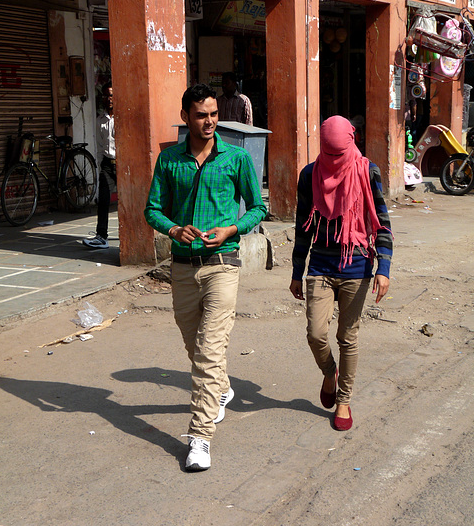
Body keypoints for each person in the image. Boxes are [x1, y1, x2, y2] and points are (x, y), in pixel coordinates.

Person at [144, 83, 267, 471]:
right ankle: (221, 390)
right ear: (186, 117)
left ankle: (200, 438)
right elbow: (152, 209)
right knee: (195, 348)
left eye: (214, 113)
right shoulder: (169, 161)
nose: (209, 121)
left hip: (223, 264)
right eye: (201, 114)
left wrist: (233, 230)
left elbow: (258, 207)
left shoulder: (235, 159)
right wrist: (172, 229)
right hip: (181, 267)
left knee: (210, 350)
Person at [289, 115, 392, 432]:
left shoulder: (367, 171)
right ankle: (330, 372)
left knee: (348, 337)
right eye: (328, 154)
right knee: (316, 334)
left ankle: (344, 400)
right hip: (320, 264)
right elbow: (302, 225)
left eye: (340, 154)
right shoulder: (309, 176)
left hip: (357, 263)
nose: (334, 161)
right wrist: (296, 270)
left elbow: (382, 223)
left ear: (353, 140)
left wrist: (383, 268)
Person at [83, 83, 116, 249]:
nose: (108, 99)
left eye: (111, 95)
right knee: (103, 199)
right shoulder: (100, 120)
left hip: (123, 165)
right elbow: (99, 146)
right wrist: (99, 165)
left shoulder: (123, 119)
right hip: (107, 164)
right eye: (105, 95)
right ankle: (101, 235)